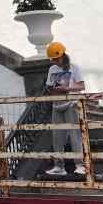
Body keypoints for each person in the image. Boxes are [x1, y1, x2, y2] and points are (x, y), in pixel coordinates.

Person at [44, 41, 87, 176]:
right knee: (57, 136)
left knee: (75, 135)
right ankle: (59, 166)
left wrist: (67, 88)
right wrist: (53, 89)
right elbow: (49, 86)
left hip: (71, 103)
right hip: (57, 104)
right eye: (53, 59)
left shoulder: (74, 68)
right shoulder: (52, 70)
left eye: (57, 58)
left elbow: (82, 86)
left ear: (63, 55)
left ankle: (80, 165)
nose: (56, 61)